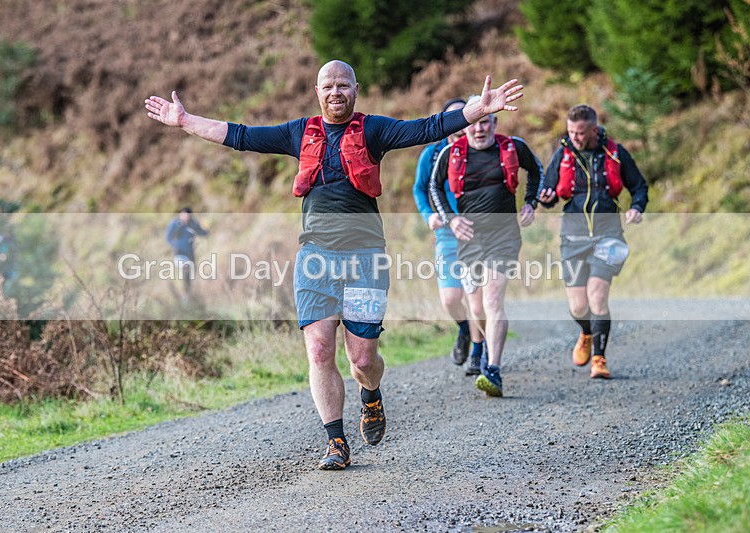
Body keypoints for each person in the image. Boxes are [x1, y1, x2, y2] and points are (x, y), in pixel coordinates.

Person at [145, 60, 523, 470]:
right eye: (328, 86)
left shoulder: (374, 130)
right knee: (320, 348)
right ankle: (336, 441)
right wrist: (186, 121)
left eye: (343, 85)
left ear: (355, 90)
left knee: (362, 360)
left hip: (365, 259)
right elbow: (240, 135)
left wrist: (477, 110)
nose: (336, 92)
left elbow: (427, 128)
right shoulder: (299, 132)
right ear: (317, 91)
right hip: (315, 259)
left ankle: (371, 395)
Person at [430, 96, 544, 397]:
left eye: (485, 122)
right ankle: (480, 348)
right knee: (477, 308)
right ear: (466, 124)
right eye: (474, 123)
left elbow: (536, 170)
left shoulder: (513, 147)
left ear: (494, 122)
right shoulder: (452, 152)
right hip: (469, 239)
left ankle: (493, 369)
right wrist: (451, 219)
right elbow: (433, 186)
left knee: (493, 300)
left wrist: (530, 202)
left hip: (503, 236)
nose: (479, 129)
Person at [539, 104, 648, 379]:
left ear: (594, 130)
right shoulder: (563, 154)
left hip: (608, 236)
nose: (574, 137)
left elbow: (639, 186)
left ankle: (599, 359)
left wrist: (636, 207)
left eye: (580, 133)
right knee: (578, 306)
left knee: (597, 296)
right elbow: (548, 191)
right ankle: (587, 332)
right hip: (572, 237)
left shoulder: (615, 152)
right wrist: (545, 198)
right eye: (571, 132)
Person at [412, 98, 486, 375]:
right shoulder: (432, 154)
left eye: (463, 116)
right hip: (446, 233)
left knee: (476, 298)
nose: (458, 123)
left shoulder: (480, 149)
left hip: (478, 235)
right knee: (451, 299)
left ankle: (478, 352)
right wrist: (428, 215)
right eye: (451, 119)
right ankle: (465, 330)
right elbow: (420, 188)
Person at [165, 207, 209, 303]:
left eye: (187, 216)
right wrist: (174, 245)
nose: (185, 218)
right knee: (186, 270)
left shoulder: (193, 223)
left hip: (190, 253)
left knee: (191, 274)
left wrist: (208, 231)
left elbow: (201, 232)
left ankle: (187, 294)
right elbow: (168, 237)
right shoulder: (175, 224)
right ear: (180, 214)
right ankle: (185, 297)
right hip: (179, 253)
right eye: (183, 215)